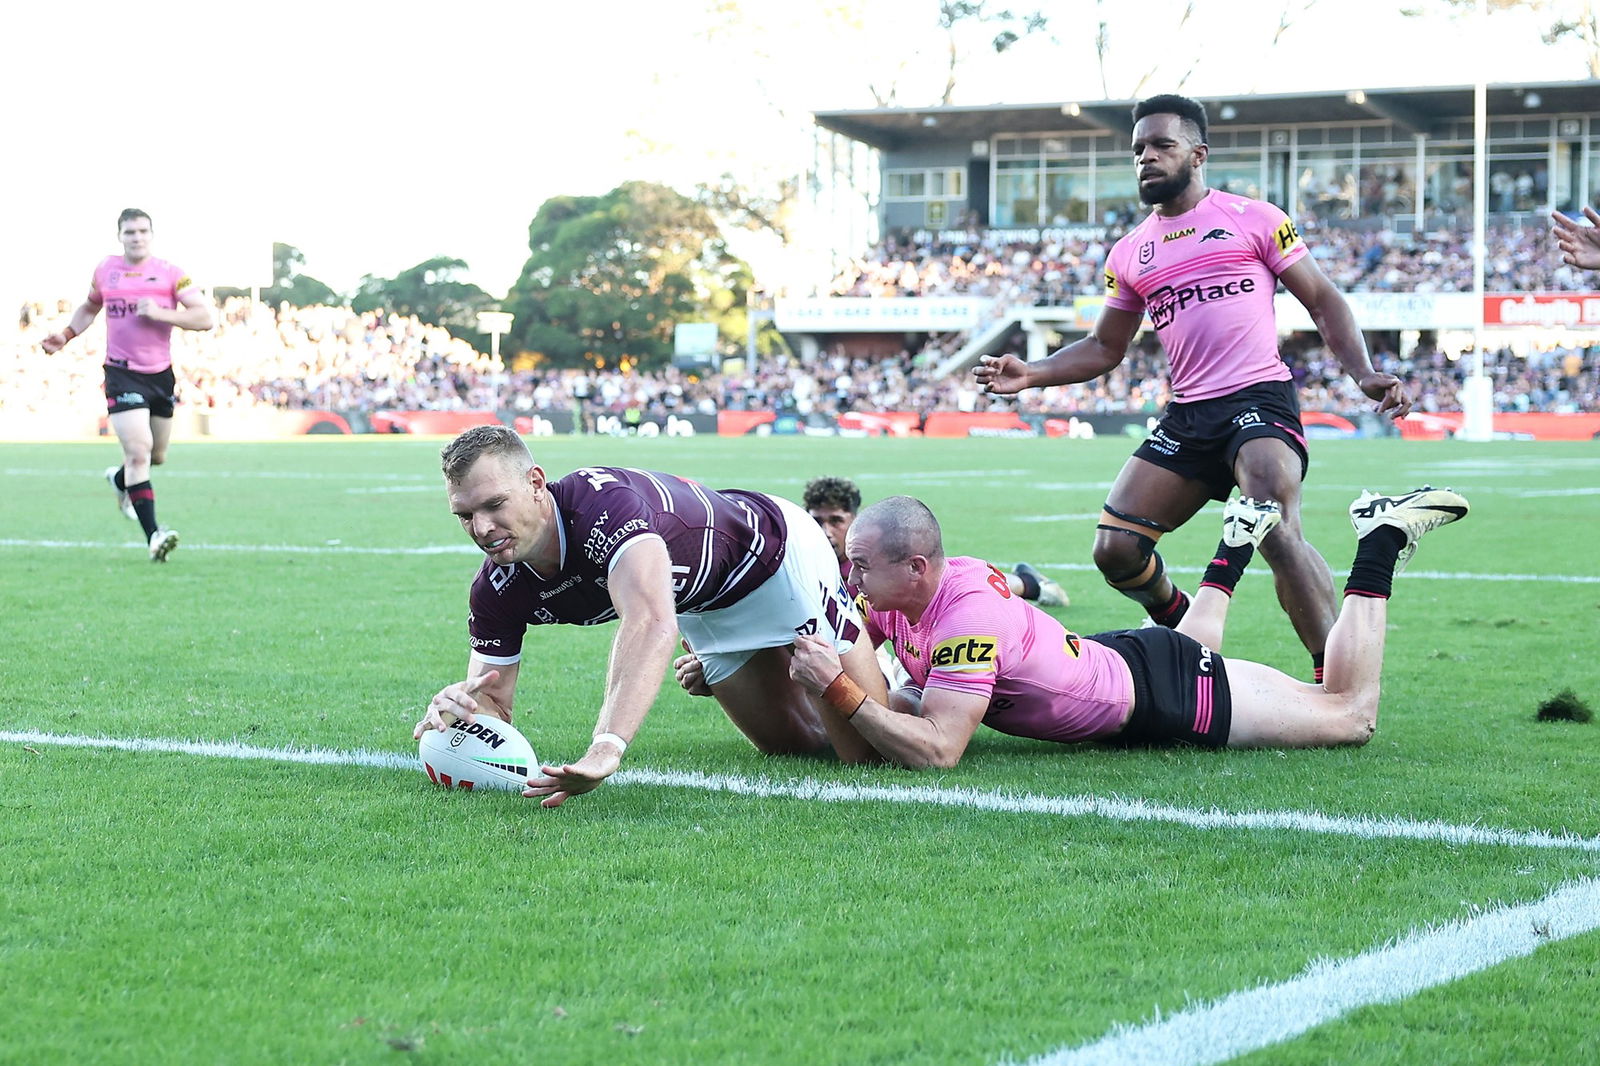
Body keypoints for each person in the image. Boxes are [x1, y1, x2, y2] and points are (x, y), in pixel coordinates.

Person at [973, 94, 1411, 684]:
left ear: (1198, 154)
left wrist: (1362, 372)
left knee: (1273, 523)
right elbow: (1106, 347)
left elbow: (1323, 298)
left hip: (1258, 399)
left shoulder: (1254, 218)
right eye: (1137, 149)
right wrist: (1032, 372)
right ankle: (1181, 627)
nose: (1145, 158)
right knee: (1115, 551)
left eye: (1161, 145)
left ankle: (1332, 677)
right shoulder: (1130, 252)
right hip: (1187, 416)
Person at [782, 487, 1467, 768]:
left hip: (1161, 692)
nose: (852, 578)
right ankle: (1235, 542)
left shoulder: (966, 615)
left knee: (1348, 715)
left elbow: (937, 748)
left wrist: (839, 691)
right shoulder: (912, 601)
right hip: (1130, 660)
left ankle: (1378, 539)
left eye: (862, 566)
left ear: (917, 567)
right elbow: (909, 702)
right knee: (1255, 669)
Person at [412, 425, 890, 807]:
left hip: (776, 561)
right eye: (464, 514)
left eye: (495, 504)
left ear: (536, 483)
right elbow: (494, 703)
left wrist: (607, 745)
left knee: (867, 757)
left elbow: (651, 622)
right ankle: (805, 671)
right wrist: (461, 715)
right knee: (795, 750)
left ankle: (896, 674)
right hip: (703, 605)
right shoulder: (495, 588)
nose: (482, 528)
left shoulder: (603, 505)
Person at [40, 208, 215, 561]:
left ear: (152, 234)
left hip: (160, 374)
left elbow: (205, 317)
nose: (137, 237)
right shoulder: (106, 270)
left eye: (143, 231)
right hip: (121, 372)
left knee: (156, 456)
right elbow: (90, 307)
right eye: (130, 232)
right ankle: (154, 537)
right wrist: (67, 334)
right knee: (138, 453)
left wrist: (161, 313)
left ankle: (120, 481)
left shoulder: (171, 274)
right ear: (120, 235)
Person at [803, 475, 1069, 607]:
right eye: (816, 521)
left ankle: (1029, 583)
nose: (826, 531)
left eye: (836, 521)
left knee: (959, 588)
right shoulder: (806, 559)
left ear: (854, 518)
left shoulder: (877, 560)